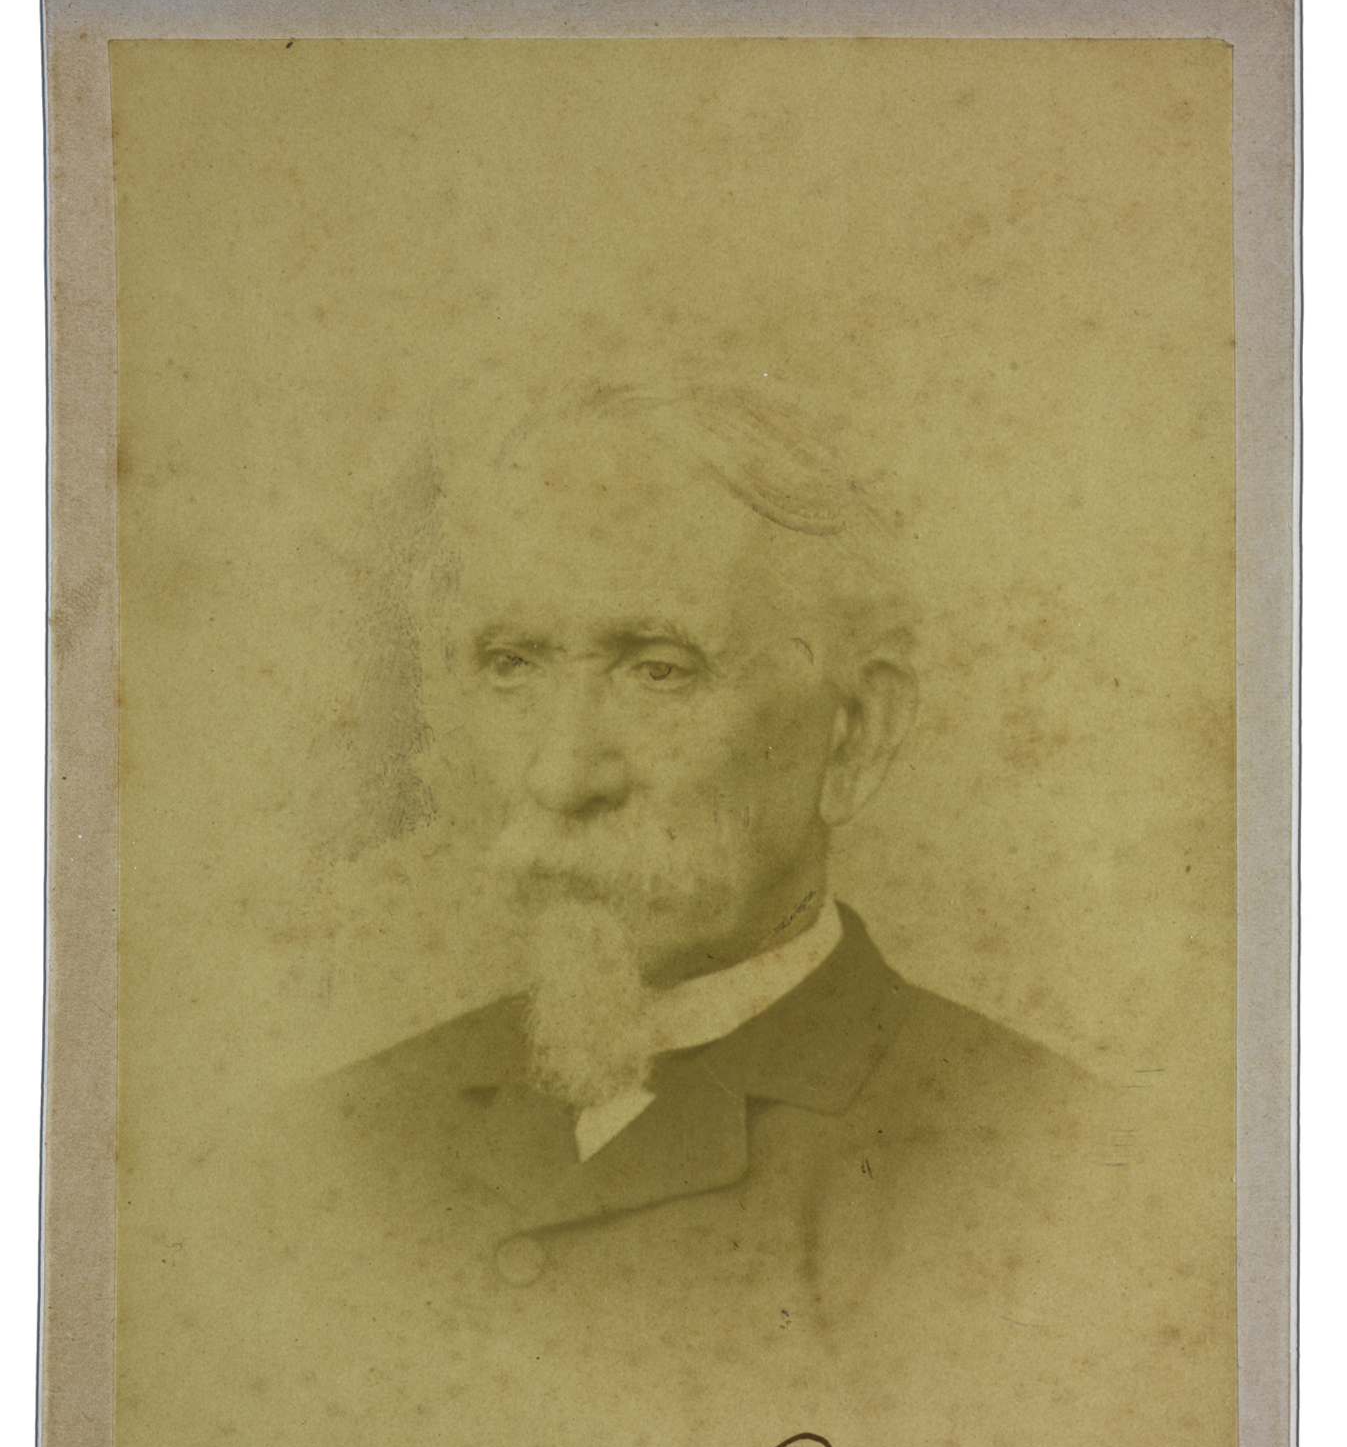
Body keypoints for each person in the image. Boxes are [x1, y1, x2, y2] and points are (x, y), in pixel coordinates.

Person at [299, 386, 1120, 1342]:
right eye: (513, 663)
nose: (561, 775)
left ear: (855, 735)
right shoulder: (325, 1143)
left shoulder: (1055, 1173)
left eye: (658, 668)